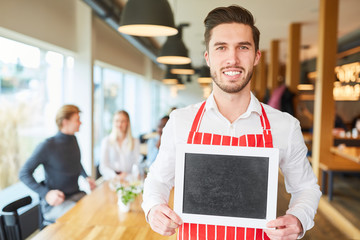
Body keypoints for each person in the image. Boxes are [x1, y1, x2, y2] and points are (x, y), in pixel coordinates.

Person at [142, 5, 321, 240]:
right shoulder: (180, 121)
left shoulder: (285, 126)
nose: (232, 59)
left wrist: (298, 218)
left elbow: (306, 188)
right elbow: (157, 180)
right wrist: (154, 209)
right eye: (221, 48)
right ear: (208, 57)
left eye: (243, 47)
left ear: (256, 56)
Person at [19, 104, 96, 223]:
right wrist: (46, 193)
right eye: (77, 120)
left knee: (98, 209)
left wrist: (86, 177)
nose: (80, 123)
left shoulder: (73, 140)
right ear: (65, 122)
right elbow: (24, 173)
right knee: (84, 218)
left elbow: (75, 162)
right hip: (56, 205)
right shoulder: (47, 145)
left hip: (76, 195)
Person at [99, 110, 140, 181]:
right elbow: (103, 167)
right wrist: (115, 176)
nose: (119, 124)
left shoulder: (135, 141)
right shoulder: (106, 141)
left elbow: (136, 164)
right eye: (117, 121)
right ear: (113, 122)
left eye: (123, 121)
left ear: (127, 123)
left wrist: (132, 175)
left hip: (128, 179)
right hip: (111, 179)